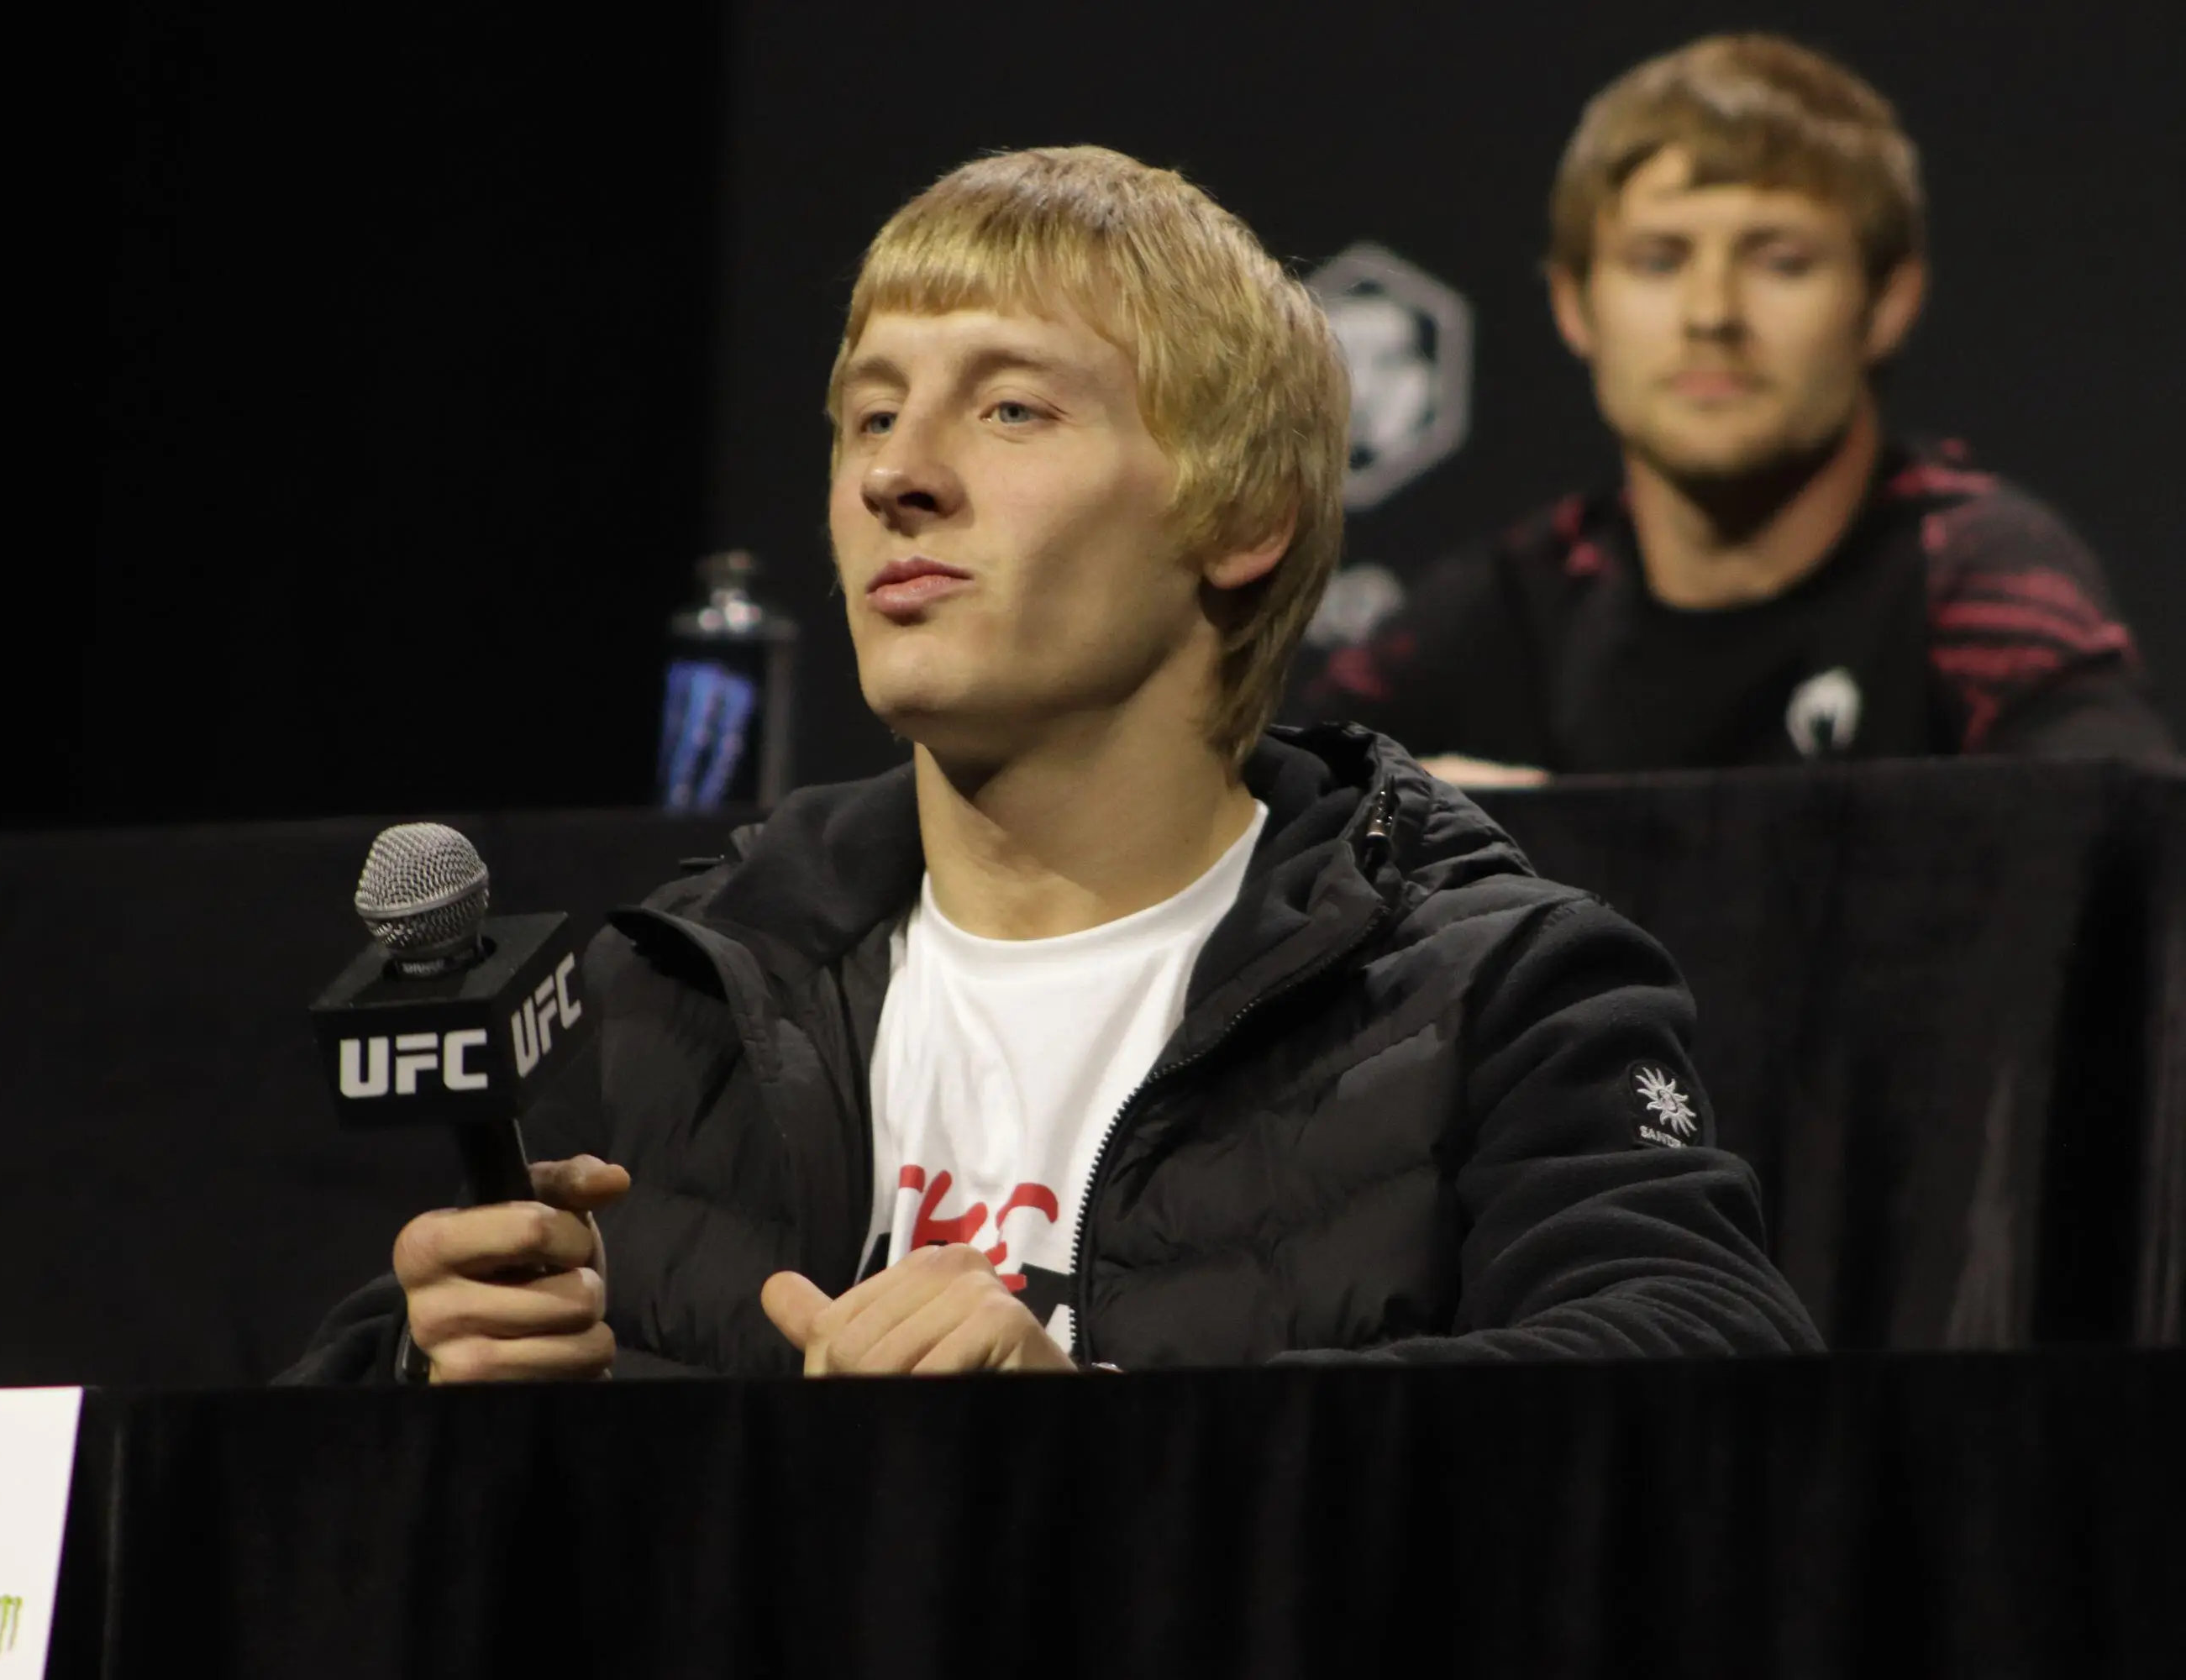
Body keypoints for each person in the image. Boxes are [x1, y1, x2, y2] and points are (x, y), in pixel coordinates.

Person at [285, 145, 1818, 1385]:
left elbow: (1709, 1365)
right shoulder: (682, 987)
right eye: (870, 414)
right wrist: (435, 1382)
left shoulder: (1493, 991)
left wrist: (1088, 1440)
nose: (897, 473)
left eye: (1009, 408)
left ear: (1243, 517)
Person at [1290, 34, 2172, 782]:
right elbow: (1263, 840)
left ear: (1888, 302)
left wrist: (1551, 852)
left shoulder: (1974, 583)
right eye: (1658, 260)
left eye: (1781, 260)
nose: (1712, 314)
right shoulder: (1502, 616)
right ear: (1573, 302)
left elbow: (2132, 864)